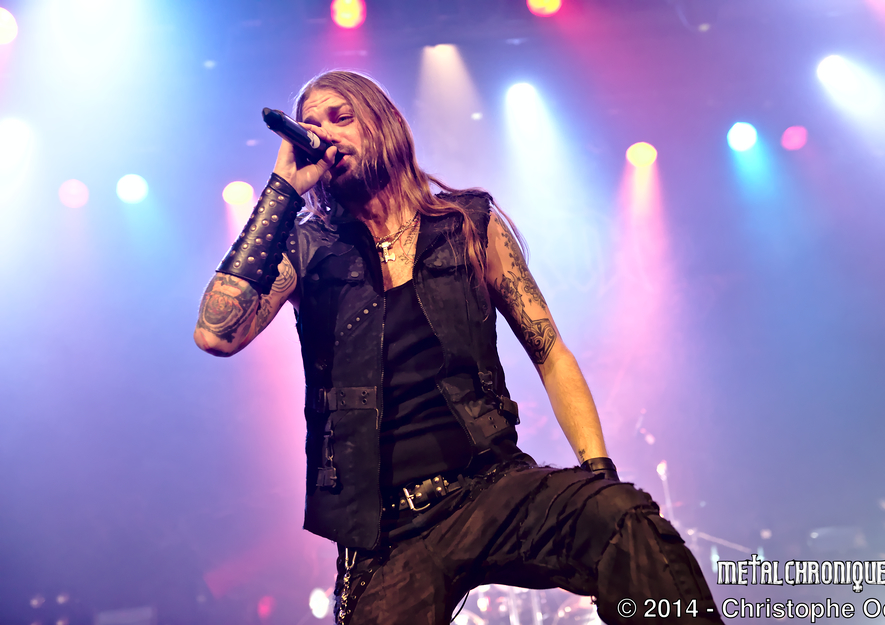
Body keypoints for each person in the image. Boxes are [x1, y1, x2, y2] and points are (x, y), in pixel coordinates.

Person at [194, 70, 722, 625]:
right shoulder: (307, 248)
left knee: (623, 517)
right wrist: (281, 192)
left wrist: (597, 471)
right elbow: (215, 333)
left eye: (341, 117)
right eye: (313, 124)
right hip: (386, 531)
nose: (324, 134)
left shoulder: (468, 224)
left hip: (488, 486)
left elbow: (550, 353)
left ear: (385, 125)